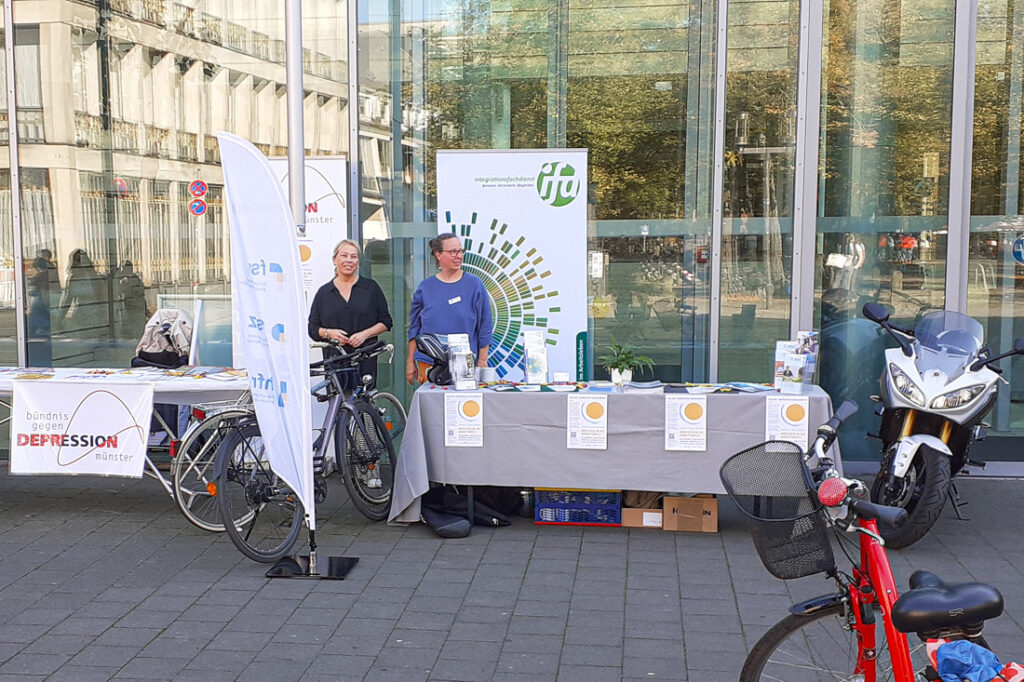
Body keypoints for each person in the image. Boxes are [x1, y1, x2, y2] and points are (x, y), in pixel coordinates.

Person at [406, 233, 493, 385]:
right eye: (453, 252)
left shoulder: (474, 285)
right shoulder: (425, 287)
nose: (458, 256)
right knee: (431, 406)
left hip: (465, 363)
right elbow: (415, 328)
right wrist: (410, 361)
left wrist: (482, 361)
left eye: (460, 251)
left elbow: (485, 325)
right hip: (428, 363)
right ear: (438, 254)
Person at [307, 239, 393, 384]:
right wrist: (329, 333)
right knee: (337, 404)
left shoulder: (371, 288)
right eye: (344, 255)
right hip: (335, 361)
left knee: (363, 404)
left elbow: (386, 321)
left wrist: (364, 335)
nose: (349, 260)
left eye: (353, 257)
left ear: (358, 262)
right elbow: (312, 328)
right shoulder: (324, 292)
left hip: (364, 358)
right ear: (335, 260)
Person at [59, 248, 107, 334]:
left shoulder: (94, 277)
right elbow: (68, 299)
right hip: (80, 314)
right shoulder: (72, 278)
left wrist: (103, 314)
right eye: (77, 260)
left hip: (95, 313)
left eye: (80, 260)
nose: (79, 263)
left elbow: (102, 296)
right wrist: (61, 316)